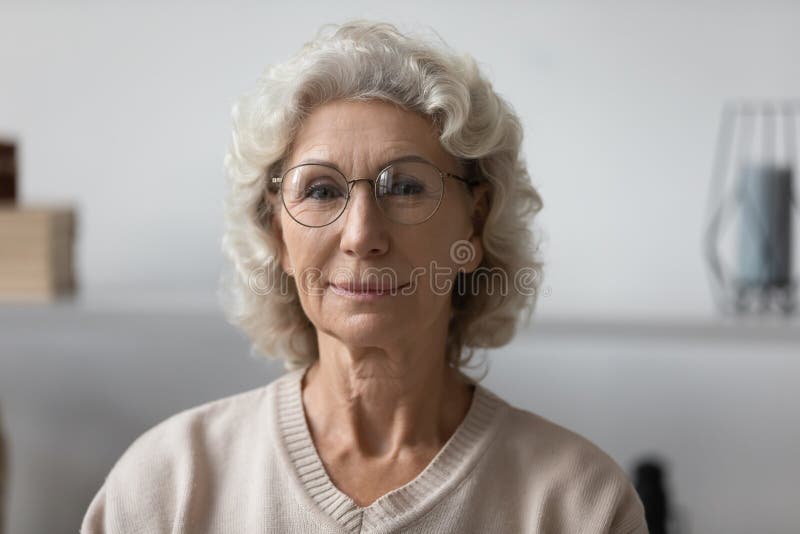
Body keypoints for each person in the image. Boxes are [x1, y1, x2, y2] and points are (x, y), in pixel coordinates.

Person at [81, 20, 648, 534]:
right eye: (321, 190)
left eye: (405, 186)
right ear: (277, 233)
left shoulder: (578, 504)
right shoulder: (165, 488)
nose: (361, 235)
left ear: (473, 228)